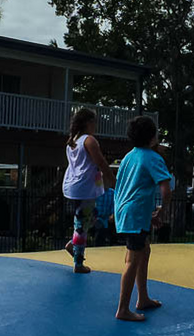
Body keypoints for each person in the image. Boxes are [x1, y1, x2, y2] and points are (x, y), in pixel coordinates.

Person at [114, 115, 172, 322]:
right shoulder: (152, 157)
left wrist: (146, 215)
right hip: (135, 213)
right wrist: (161, 212)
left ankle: (143, 298)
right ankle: (123, 309)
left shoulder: (129, 157)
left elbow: (125, 188)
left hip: (127, 212)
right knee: (132, 259)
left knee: (144, 250)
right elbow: (166, 191)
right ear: (152, 137)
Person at [63, 108, 116, 273]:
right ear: (88, 123)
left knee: (89, 217)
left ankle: (74, 243)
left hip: (75, 185)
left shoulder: (73, 140)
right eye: (94, 122)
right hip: (84, 187)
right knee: (82, 224)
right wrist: (112, 180)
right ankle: (78, 263)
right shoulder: (89, 140)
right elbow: (100, 162)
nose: (96, 126)